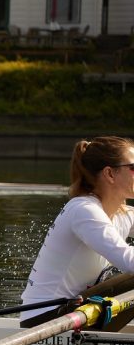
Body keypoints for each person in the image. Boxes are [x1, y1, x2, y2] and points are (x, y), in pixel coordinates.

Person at [20, 136, 134, 329]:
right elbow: (128, 259)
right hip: (46, 319)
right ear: (110, 174)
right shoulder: (84, 211)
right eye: (133, 168)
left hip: (80, 311)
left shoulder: (122, 213)